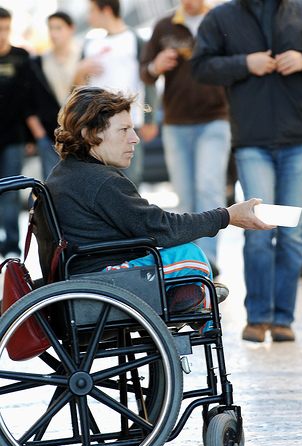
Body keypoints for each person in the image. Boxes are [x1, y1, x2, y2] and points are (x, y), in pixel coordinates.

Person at [45, 86, 274, 319]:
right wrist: (227, 216)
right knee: (190, 255)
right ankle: (196, 306)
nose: (134, 138)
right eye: (123, 130)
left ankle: (190, 300)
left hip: (81, 281)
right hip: (99, 286)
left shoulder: (63, 173)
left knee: (181, 258)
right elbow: (161, 228)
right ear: (88, 133)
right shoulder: (101, 182)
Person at [190, 0, 302, 342]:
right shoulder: (222, 16)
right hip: (252, 141)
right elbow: (200, 67)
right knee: (257, 227)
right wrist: (244, 63)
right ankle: (257, 317)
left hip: (299, 138)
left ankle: (283, 319)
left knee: (292, 232)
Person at [139, 0, 230, 278]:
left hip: (216, 117)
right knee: (185, 195)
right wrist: (156, 66)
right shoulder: (164, 25)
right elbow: (145, 72)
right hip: (176, 122)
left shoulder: (221, 20)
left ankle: (209, 260)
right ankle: (193, 259)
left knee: (209, 185)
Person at [74, 0, 158, 187]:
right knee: (98, 181)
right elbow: (78, 91)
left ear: (106, 10)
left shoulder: (134, 39)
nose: (88, 17)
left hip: (129, 123)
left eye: (92, 11)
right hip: (96, 125)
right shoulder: (90, 44)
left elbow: (148, 80)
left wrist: (150, 119)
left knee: (129, 181)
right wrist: (81, 71)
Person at [0, 7, 39, 259]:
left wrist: (31, 136)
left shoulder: (21, 57)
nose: (1, 34)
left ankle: (11, 245)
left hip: (14, 137)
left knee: (11, 193)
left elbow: (31, 100)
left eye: (5, 28)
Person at [28, 11, 82, 180]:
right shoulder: (38, 62)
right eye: (51, 28)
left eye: (59, 28)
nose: (53, 33)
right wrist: (40, 135)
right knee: (52, 188)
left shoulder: (84, 57)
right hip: (50, 136)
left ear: (71, 29)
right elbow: (29, 101)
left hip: (80, 134)